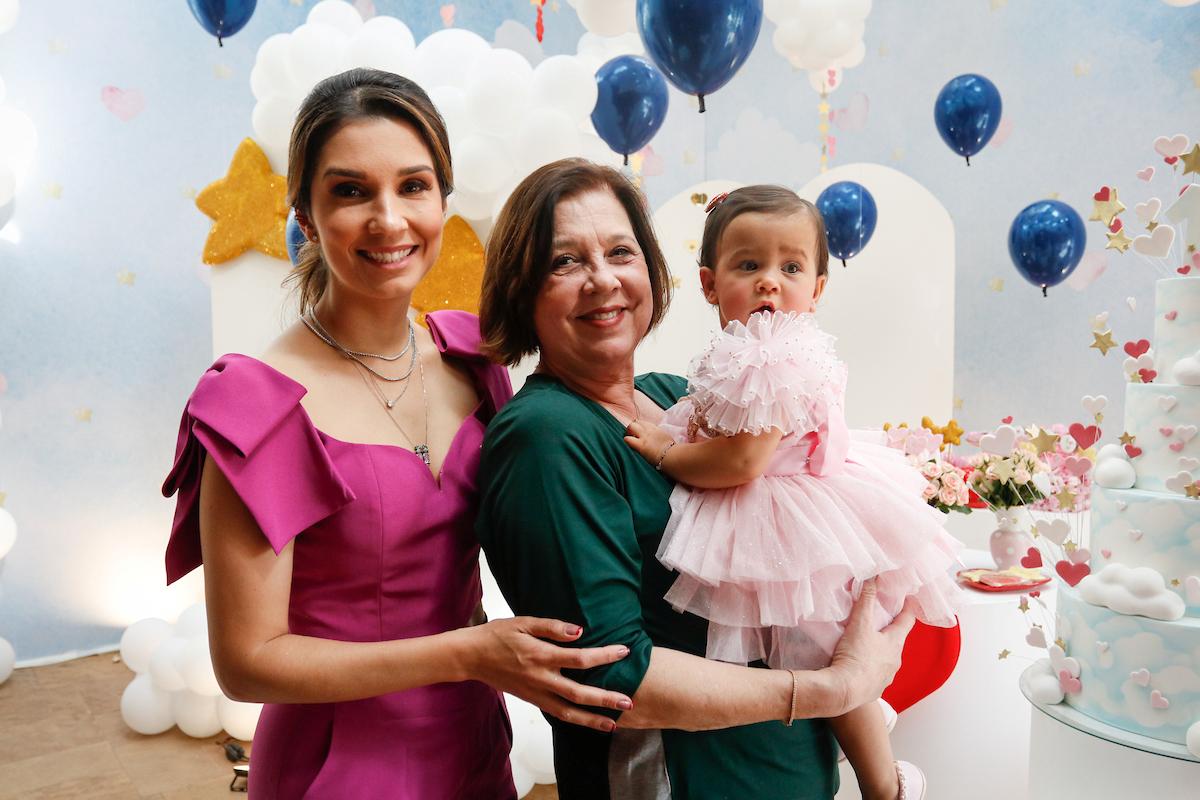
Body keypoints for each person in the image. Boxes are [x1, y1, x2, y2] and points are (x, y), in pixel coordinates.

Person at [162, 69, 633, 799]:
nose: (389, 220)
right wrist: (469, 653)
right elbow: (248, 661)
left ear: (444, 200)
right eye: (350, 191)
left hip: (472, 747)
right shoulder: (255, 403)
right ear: (307, 215)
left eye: (413, 186)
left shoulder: (475, 360)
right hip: (337, 766)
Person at [476, 159, 919, 800]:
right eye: (564, 261)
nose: (603, 280)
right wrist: (834, 689)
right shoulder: (548, 436)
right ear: (523, 289)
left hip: (786, 766)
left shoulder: (675, 398)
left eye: (620, 251)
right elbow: (610, 675)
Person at [622, 185, 965, 800]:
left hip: (791, 512)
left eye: (791, 267)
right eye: (748, 265)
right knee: (803, 652)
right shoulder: (745, 349)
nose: (769, 283)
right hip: (785, 502)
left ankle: (883, 783)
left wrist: (667, 450)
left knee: (827, 656)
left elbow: (745, 459)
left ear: (819, 286)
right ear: (709, 283)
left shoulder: (776, 354)